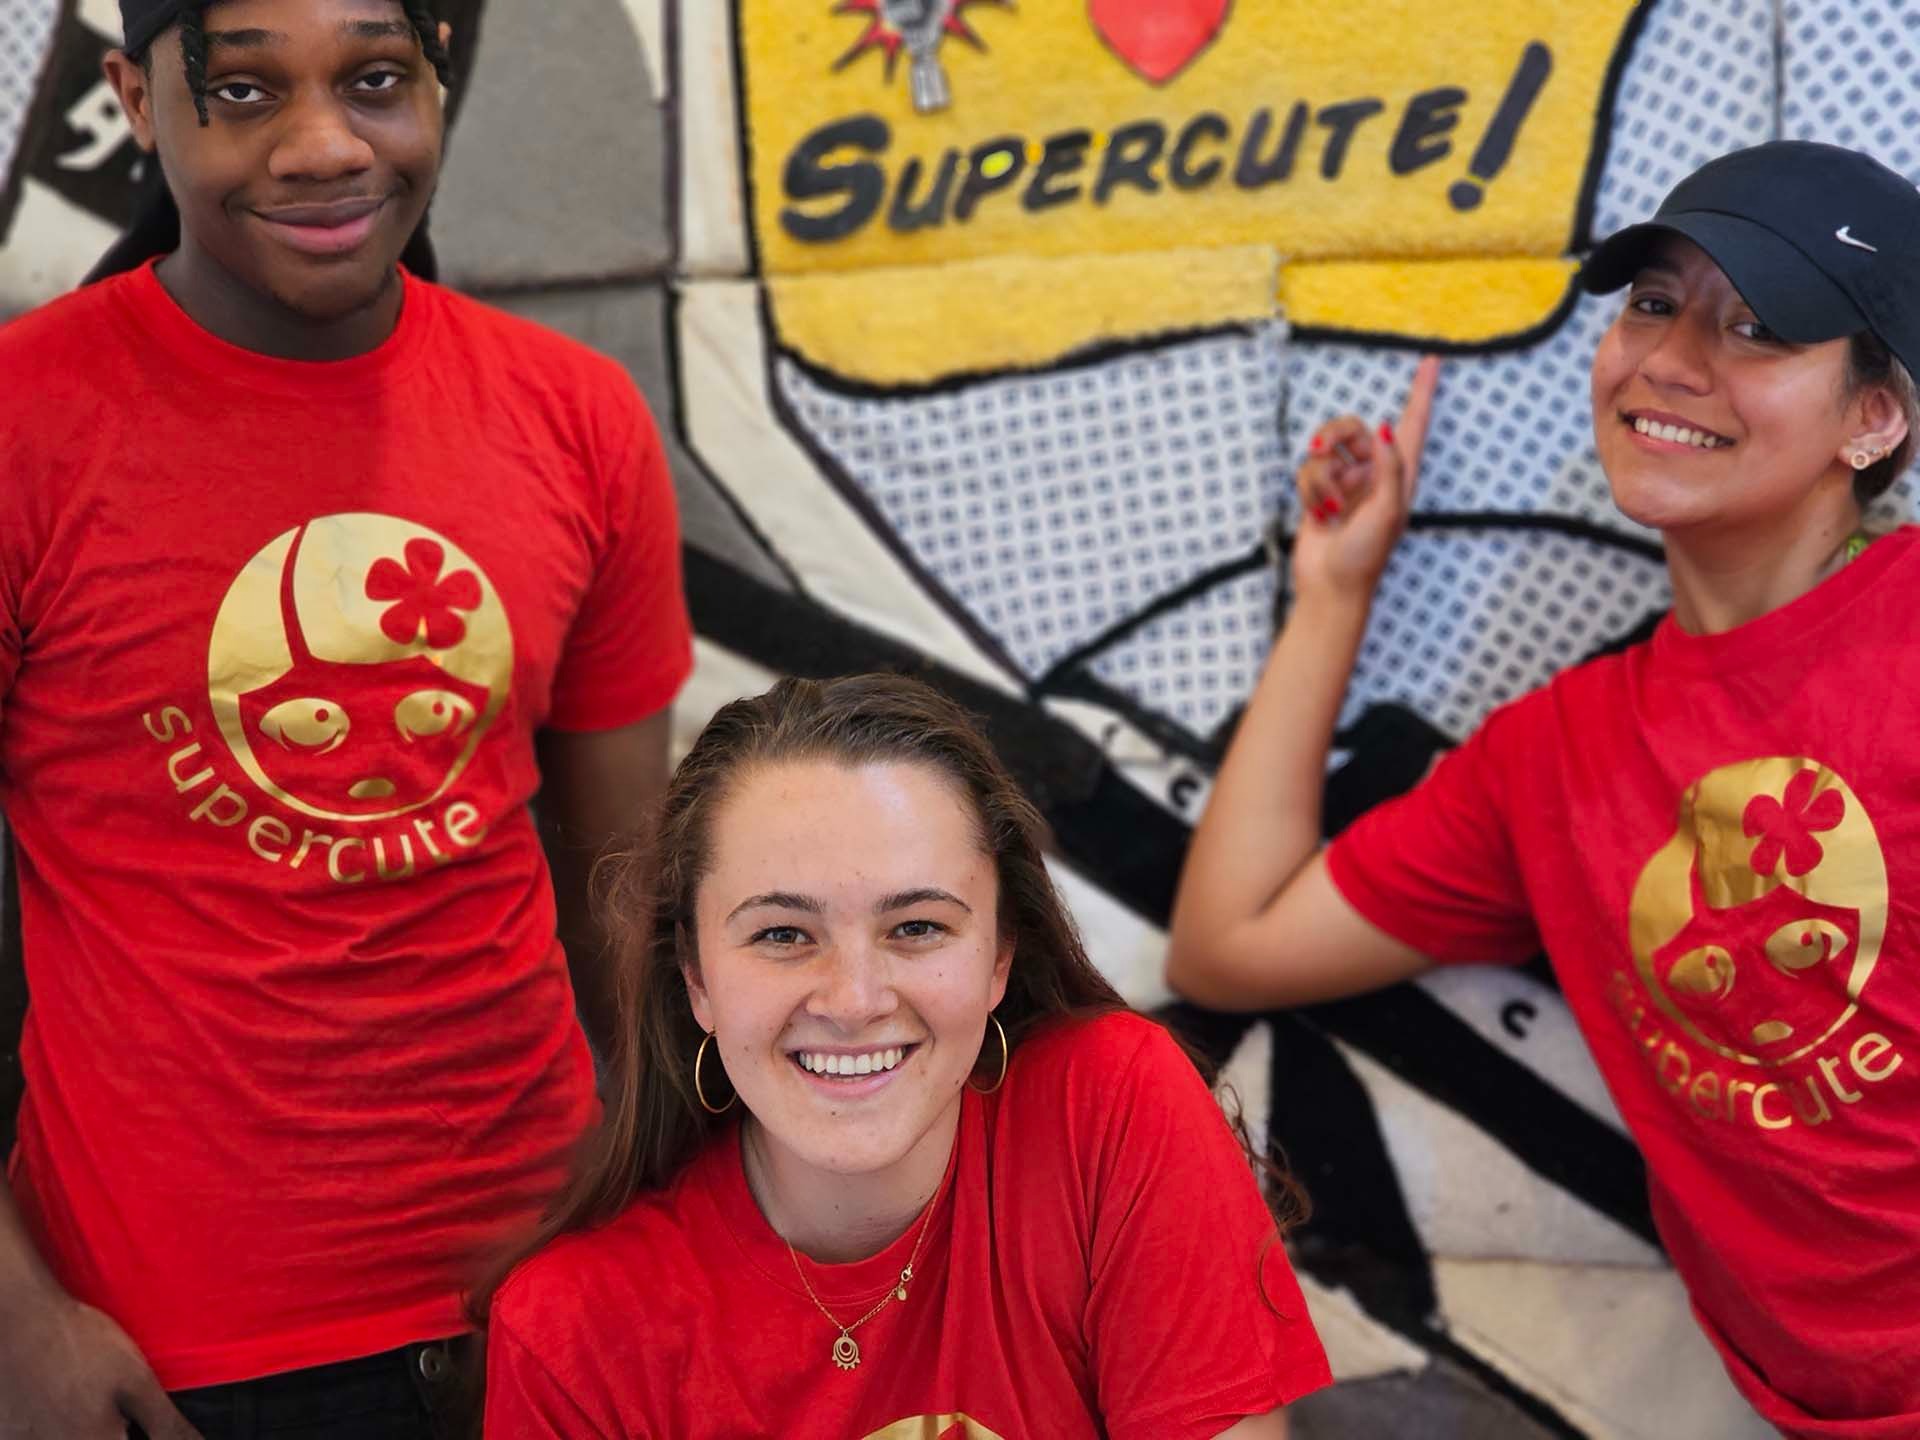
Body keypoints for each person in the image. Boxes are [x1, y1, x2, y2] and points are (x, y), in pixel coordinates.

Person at [0, 1, 692, 1436]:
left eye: (374, 80)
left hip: (557, 1308)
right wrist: (16, 1325)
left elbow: (633, 910)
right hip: (170, 1353)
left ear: (437, 76)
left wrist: (695, 1249)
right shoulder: (26, 425)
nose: (322, 146)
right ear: (137, 99)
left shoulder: (577, 418)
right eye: (244, 91)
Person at [1168, 139, 1920, 1437]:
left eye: (1758, 326)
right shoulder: (1554, 759)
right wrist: (1333, 602)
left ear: (1874, 417)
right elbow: (1225, 946)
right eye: (1651, 302)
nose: (1673, 359)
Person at [477, 674, 1331, 1439]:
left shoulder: (1109, 1108)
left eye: (916, 927)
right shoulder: (570, 1335)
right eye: (782, 934)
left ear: (999, 956)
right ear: (697, 979)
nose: (853, 999)